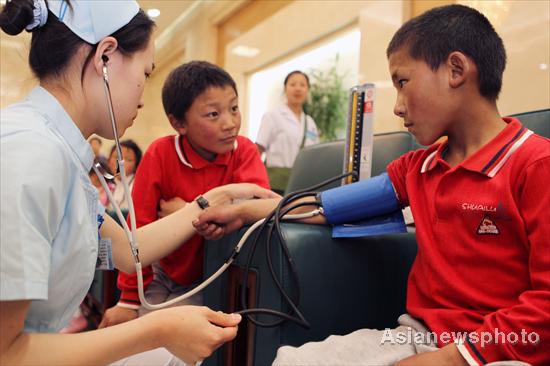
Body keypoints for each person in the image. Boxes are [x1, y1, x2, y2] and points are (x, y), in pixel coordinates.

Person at [193, 5, 550, 365]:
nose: (397, 106)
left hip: (509, 348)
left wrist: (453, 358)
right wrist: (243, 210)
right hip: (417, 336)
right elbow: (328, 206)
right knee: (294, 361)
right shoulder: (418, 168)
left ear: (456, 70)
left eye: (403, 82)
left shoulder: (536, 164)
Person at [0, 1, 276, 365]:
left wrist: (215, 197)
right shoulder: (30, 153)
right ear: (106, 58)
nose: (144, 99)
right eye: (145, 74)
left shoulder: (58, 153)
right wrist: (157, 329)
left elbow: (131, 252)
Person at [99, 61, 271, 328]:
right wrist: (129, 299)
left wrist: (188, 209)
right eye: (213, 114)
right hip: (160, 272)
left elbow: (262, 204)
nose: (230, 123)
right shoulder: (160, 155)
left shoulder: (244, 151)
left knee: (167, 333)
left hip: (211, 278)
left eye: (234, 108)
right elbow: (138, 227)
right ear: (179, 123)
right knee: (135, 331)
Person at [256, 70, 320, 193]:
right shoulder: (272, 116)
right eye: (293, 84)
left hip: (303, 183)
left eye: (302, 85)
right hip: (276, 183)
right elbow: (258, 150)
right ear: (285, 89)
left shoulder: (310, 122)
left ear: (307, 90)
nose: (298, 89)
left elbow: (314, 154)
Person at [107, 139, 142, 211]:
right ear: (109, 161)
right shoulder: (110, 184)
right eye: (116, 157)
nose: (120, 162)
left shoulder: (137, 187)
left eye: (128, 159)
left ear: (136, 165)